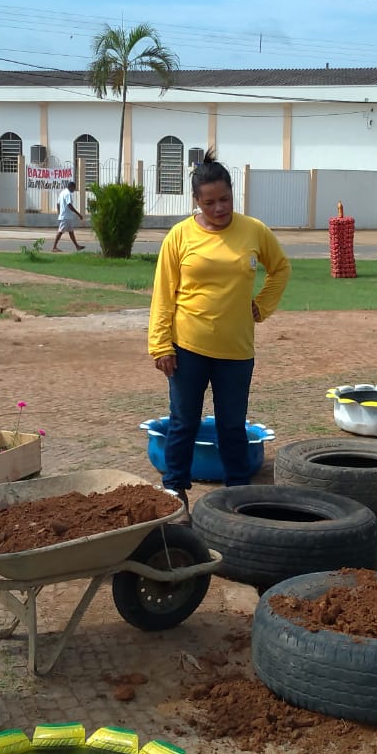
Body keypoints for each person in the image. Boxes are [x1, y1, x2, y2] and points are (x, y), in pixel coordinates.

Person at [148, 150, 291, 508]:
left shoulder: (254, 230)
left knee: (232, 426)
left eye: (224, 199)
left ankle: (237, 493)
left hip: (236, 350)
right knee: (183, 423)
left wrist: (262, 305)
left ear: (232, 194)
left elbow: (281, 268)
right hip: (187, 346)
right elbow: (164, 293)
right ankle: (174, 491)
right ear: (196, 202)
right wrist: (160, 344)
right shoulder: (179, 237)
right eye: (209, 202)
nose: (219, 208)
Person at [51, 181, 85, 251]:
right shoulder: (68, 193)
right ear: (71, 187)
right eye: (74, 188)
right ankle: (54, 247)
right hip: (66, 217)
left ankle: (77, 246)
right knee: (60, 231)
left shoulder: (62, 193)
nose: (74, 190)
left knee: (71, 232)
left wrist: (59, 213)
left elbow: (58, 204)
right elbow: (69, 205)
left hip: (67, 216)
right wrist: (78, 214)